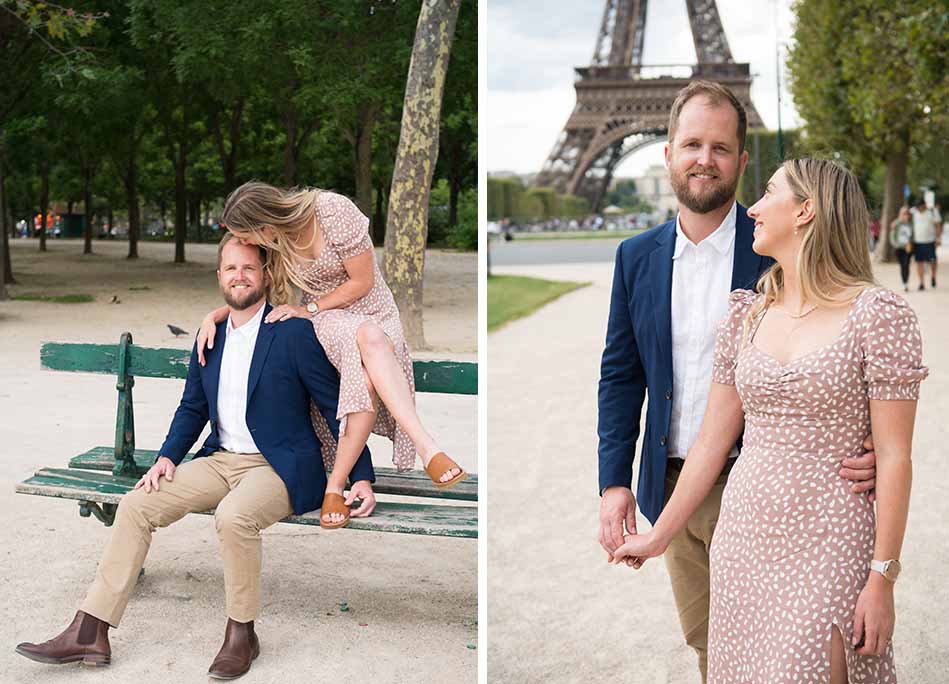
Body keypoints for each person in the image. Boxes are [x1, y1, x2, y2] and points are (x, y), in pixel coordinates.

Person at [596, 81, 878, 683]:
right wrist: (614, 481)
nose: (705, 159)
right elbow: (621, 376)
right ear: (668, 152)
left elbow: (847, 343)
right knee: (711, 646)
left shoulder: (777, 252)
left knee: (783, 647)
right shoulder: (634, 257)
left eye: (721, 148)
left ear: (742, 162)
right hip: (670, 481)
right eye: (692, 144)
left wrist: (869, 440)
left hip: (763, 487)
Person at [15, 235, 376, 679]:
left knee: (234, 518)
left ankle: (242, 634)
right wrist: (167, 456)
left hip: (278, 466)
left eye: (248, 268)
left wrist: (360, 475)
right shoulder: (212, 334)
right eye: (230, 269)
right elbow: (192, 407)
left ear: (264, 275)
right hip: (220, 459)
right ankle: (91, 630)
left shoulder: (293, 331)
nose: (239, 276)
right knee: (136, 504)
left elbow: (331, 403)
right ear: (219, 277)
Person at [197, 182, 465, 529]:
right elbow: (252, 287)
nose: (249, 244)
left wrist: (309, 306)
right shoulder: (276, 242)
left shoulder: (332, 211)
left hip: (373, 312)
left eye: (246, 235)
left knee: (367, 356)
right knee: (364, 345)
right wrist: (216, 315)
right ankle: (428, 449)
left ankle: (336, 486)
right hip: (327, 320)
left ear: (263, 222)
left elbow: (363, 281)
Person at [910, 198, 939, 289]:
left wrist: (938, 238)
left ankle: (933, 276)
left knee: (933, 261)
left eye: (920, 207)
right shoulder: (913, 213)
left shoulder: (932, 212)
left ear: (925, 205)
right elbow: (904, 215)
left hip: (930, 241)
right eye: (917, 207)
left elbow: (938, 225)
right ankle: (921, 283)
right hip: (918, 242)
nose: (919, 209)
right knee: (919, 262)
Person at [889, 206, 914, 292]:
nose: (906, 215)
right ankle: (904, 283)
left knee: (906, 264)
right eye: (904, 213)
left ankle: (906, 283)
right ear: (900, 214)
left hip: (908, 247)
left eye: (907, 213)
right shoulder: (896, 223)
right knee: (902, 265)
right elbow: (892, 235)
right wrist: (895, 244)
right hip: (899, 248)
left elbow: (912, 235)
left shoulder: (911, 224)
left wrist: (912, 243)